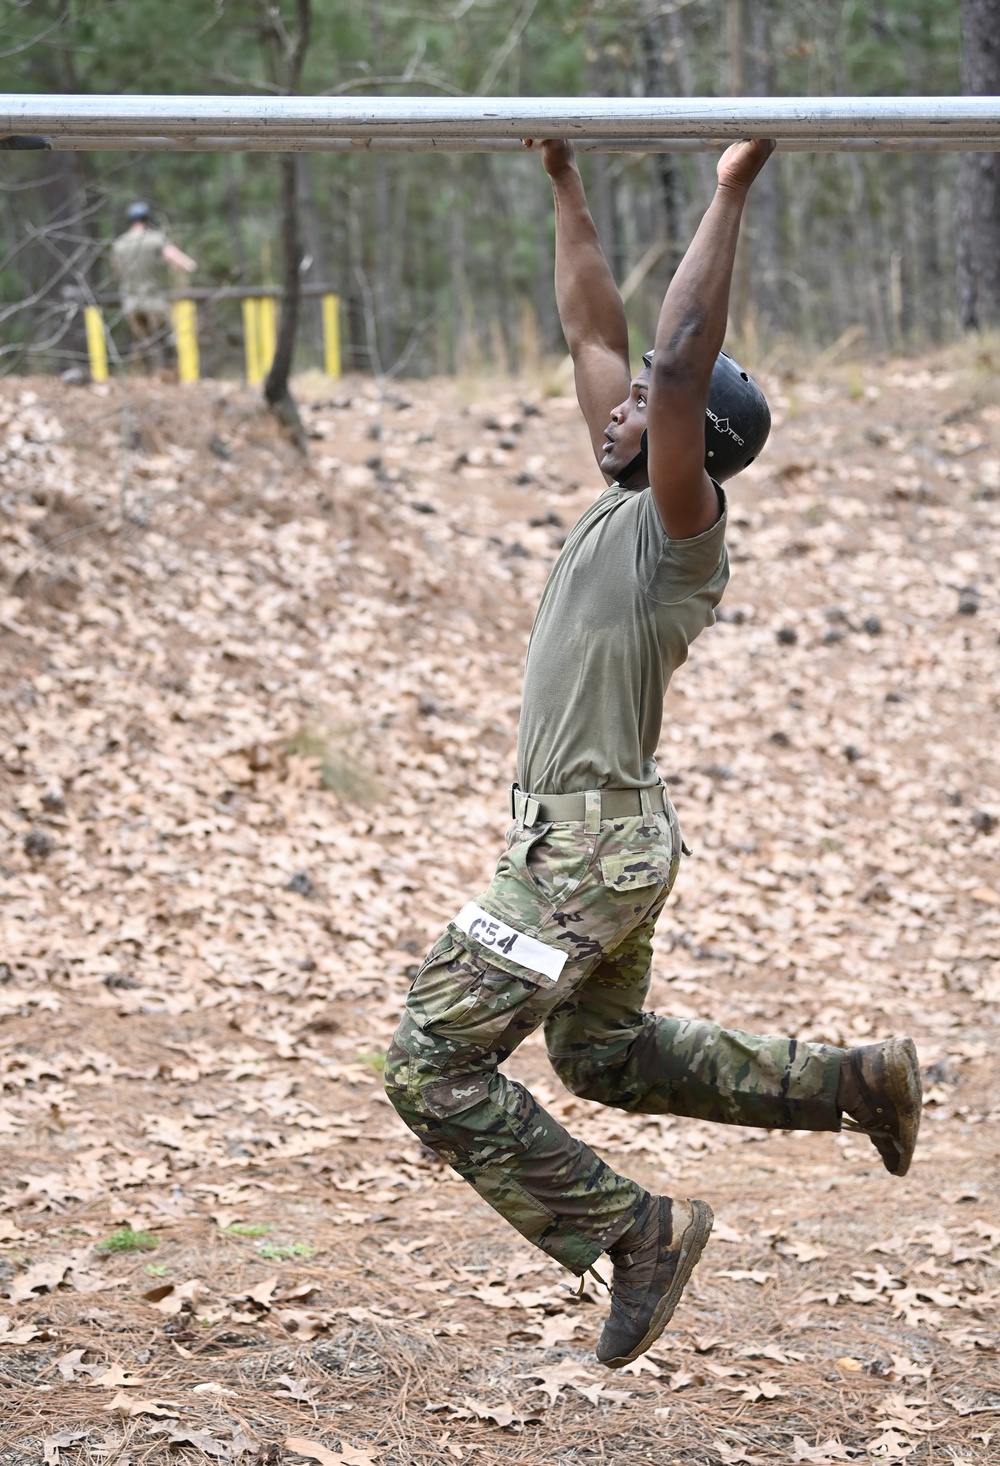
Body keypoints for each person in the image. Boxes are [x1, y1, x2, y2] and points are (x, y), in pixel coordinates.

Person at [384, 138, 922, 1369]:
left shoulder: (681, 529)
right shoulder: (622, 491)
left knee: (427, 1059)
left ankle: (634, 1234)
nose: (615, 402)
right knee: (602, 1056)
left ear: (695, 439)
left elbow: (674, 366)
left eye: (641, 404)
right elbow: (595, 335)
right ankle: (851, 1079)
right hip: (596, 835)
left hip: (588, 845)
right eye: (622, 398)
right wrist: (562, 179)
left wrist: (729, 186)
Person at [110, 201, 196, 368]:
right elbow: (178, 260)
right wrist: (190, 266)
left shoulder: (119, 244)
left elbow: (117, 269)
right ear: (147, 219)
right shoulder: (155, 240)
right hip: (154, 301)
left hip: (131, 302)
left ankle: (143, 376)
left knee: (142, 342)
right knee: (167, 339)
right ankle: (169, 373)